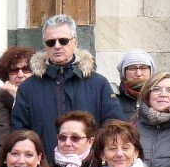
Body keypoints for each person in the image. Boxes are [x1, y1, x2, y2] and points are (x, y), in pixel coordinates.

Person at [10, 15, 122, 155]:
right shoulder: (28, 88)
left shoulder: (98, 84)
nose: (57, 46)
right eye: (51, 42)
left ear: (75, 42)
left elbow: (114, 128)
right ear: (45, 46)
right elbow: (19, 133)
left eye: (63, 41)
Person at [113, 49, 155, 119]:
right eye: (132, 69)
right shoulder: (112, 99)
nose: (138, 73)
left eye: (143, 68)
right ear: (124, 73)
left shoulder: (161, 98)